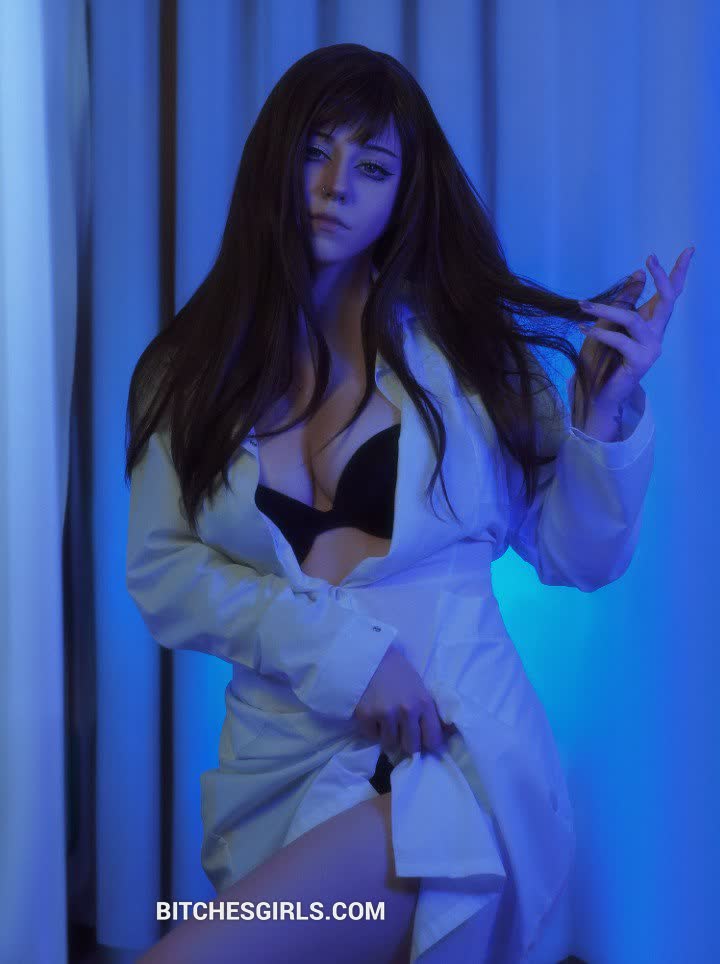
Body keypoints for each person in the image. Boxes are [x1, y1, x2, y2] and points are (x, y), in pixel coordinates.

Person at [124, 42, 693, 964]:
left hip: (457, 750)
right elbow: (164, 576)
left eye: (374, 167)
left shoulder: (472, 362)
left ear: (403, 193)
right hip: (279, 760)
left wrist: (602, 411)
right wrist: (343, 653)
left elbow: (578, 557)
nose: (337, 185)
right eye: (316, 152)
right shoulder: (186, 375)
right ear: (274, 160)